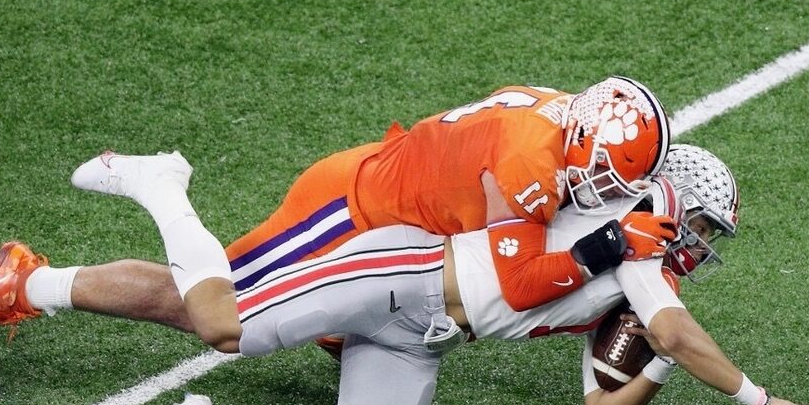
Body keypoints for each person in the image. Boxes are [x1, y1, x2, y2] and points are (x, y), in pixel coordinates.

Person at [0, 144, 809, 405]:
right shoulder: (628, 234)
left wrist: (661, 365)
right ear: (672, 203)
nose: (699, 247)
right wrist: (750, 394)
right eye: (701, 227)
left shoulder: (638, 269)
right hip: (393, 269)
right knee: (220, 317)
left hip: (424, 331)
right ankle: (161, 186)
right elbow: (501, 178)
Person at [218, 77, 673, 313]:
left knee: (357, 327)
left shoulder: (565, 112)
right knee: (216, 304)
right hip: (347, 213)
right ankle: (163, 197)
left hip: (393, 230)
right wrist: (613, 242)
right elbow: (517, 286)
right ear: (584, 140)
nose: (605, 190)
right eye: (605, 174)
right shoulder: (530, 164)